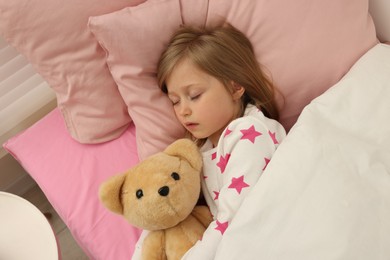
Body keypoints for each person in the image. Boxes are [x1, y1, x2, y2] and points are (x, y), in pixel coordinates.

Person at [134, 24, 286, 259]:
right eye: (174, 101)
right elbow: (167, 204)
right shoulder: (201, 149)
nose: (183, 110)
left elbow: (233, 218)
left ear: (235, 87)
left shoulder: (249, 133)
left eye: (194, 96)